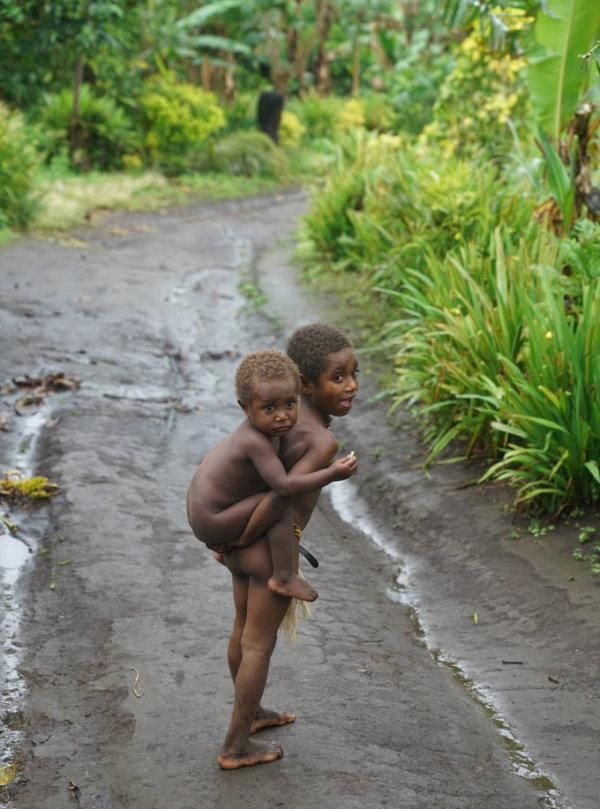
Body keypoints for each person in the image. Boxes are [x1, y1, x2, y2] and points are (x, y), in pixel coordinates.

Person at [213, 324, 359, 769]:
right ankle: (236, 745)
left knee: (242, 630)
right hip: (266, 549)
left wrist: (229, 541)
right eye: (338, 376)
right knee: (258, 644)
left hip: (242, 543)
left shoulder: (277, 424)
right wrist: (255, 547)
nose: (351, 385)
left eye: (355, 373)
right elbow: (282, 500)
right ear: (305, 384)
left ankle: (251, 712)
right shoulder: (319, 439)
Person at [186, 348, 357, 604]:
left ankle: (229, 547)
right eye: (269, 408)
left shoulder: (253, 433)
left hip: (208, 513)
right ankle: (284, 577)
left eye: (289, 404)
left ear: (299, 396)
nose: (282, 416)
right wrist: (331, 473)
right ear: (245, 408)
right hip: (212, 519)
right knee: (280, 504)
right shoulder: (257, 442)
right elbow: (285, 487)